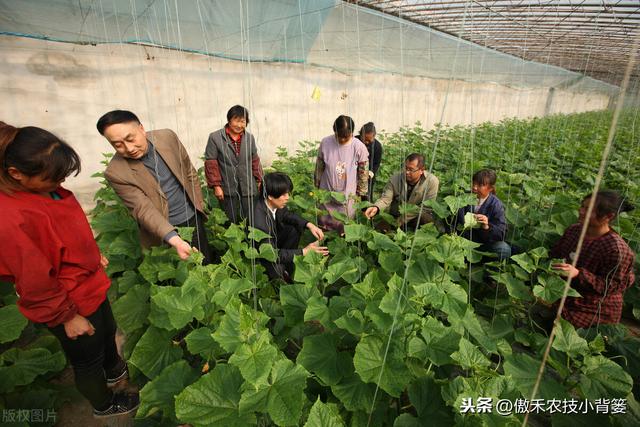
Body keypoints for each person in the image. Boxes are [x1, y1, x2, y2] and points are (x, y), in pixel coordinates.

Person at [0, 122, 138, 418]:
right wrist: (66, 317)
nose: (60, 182)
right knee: (87, 359)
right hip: (67, 301)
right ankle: (104, 405)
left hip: (88, 284)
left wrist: (92, 254)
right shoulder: (10, 218)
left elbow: (64, 234)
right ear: (16, 174)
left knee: (107, 331)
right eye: (53, 178)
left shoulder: (43, 191)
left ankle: (115, 372)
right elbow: (34, 281)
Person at [97, 110, 213, 265]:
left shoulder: (167, 137)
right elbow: (143, 209)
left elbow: (188, 170)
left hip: (192, 216)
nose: (129, 148)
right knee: (177, 274)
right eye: (118, 145)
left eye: (130, 139)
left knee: (205, 260)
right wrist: (175, 240)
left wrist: (199, 203)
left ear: (142, 129)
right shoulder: (116, 172)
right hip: (163, 231)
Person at [550, 191, 636, 329]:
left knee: (561, 325)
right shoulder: (573, 230)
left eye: (588, 210)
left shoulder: (617, 249)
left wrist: (578, 274)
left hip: (594, 305)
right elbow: (554, 254)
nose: (581, 211)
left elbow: (610, 286)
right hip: (566, 292)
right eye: (582, 206)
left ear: (609, 216)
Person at [252, 172, 328, 281]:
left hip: (272, 239)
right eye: (284, 195)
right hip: (262, 254)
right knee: (276, 270)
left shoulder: (273, 202)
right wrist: (304, 251)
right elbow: (271, 254)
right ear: (270, 197)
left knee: (293, 229)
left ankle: (288, 264)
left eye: (288, 193)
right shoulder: (259, 220)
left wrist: (309, 225)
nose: (287, 198)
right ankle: (280, 278)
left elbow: (287, 215)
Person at [204, 105, 263, 224]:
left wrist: (259, 179)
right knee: (229, 219)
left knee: (250, 218)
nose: (240, 125)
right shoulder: (215, 137)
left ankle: (250, 241)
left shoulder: (249, 138)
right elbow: (211, 163)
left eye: (243, 121)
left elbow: (255, 160)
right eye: (237, 120)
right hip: (226, 185)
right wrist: (216, 186)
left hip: (248, 185)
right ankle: (232, 241)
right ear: (229, 120)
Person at [314, 115, 369, 233]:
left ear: (352, 133)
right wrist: (317, 185)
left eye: (346, 136)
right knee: (324, 224)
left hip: (347, 194)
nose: (342, 140)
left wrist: (361, 194)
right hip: (327, 190)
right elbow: (319, 166)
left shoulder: (359, 147)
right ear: (335, 131)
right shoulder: (326, 142)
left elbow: (363, 174)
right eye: (339, 136)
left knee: (344, 227)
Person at [364, 153, 439, 230]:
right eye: (405, 168)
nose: (407, 172)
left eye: (411, 169)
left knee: (425, 218)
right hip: (397, 215)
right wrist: (376, 207)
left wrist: (400, 222)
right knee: (380, 230)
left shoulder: (432, 182)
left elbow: (426, 208)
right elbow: (386, 199)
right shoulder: (395, 178)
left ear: (421, 170)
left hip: (416, 216)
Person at [452, 169, 511, 260]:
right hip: (461, 241)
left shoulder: (496, 205)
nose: (474, 187)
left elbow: (501, 232)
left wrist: (486, 226)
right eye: (474, 183)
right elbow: (451, 221)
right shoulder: (463, 197)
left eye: (480, 185)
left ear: (490, 188)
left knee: (503, 249)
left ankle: (487, 269)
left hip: (482, 244)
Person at [355, 122, 383, 201]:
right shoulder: (354, 141)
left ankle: (366, 211)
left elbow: (376, 163)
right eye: (364, 139)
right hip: (353, 174)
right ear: (361, 135)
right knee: (350, 197)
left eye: (369, 140)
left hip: (368, 175)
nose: (366, 142)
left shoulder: (377, 146)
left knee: (366, 197)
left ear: (374, 136)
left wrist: (371, 173)